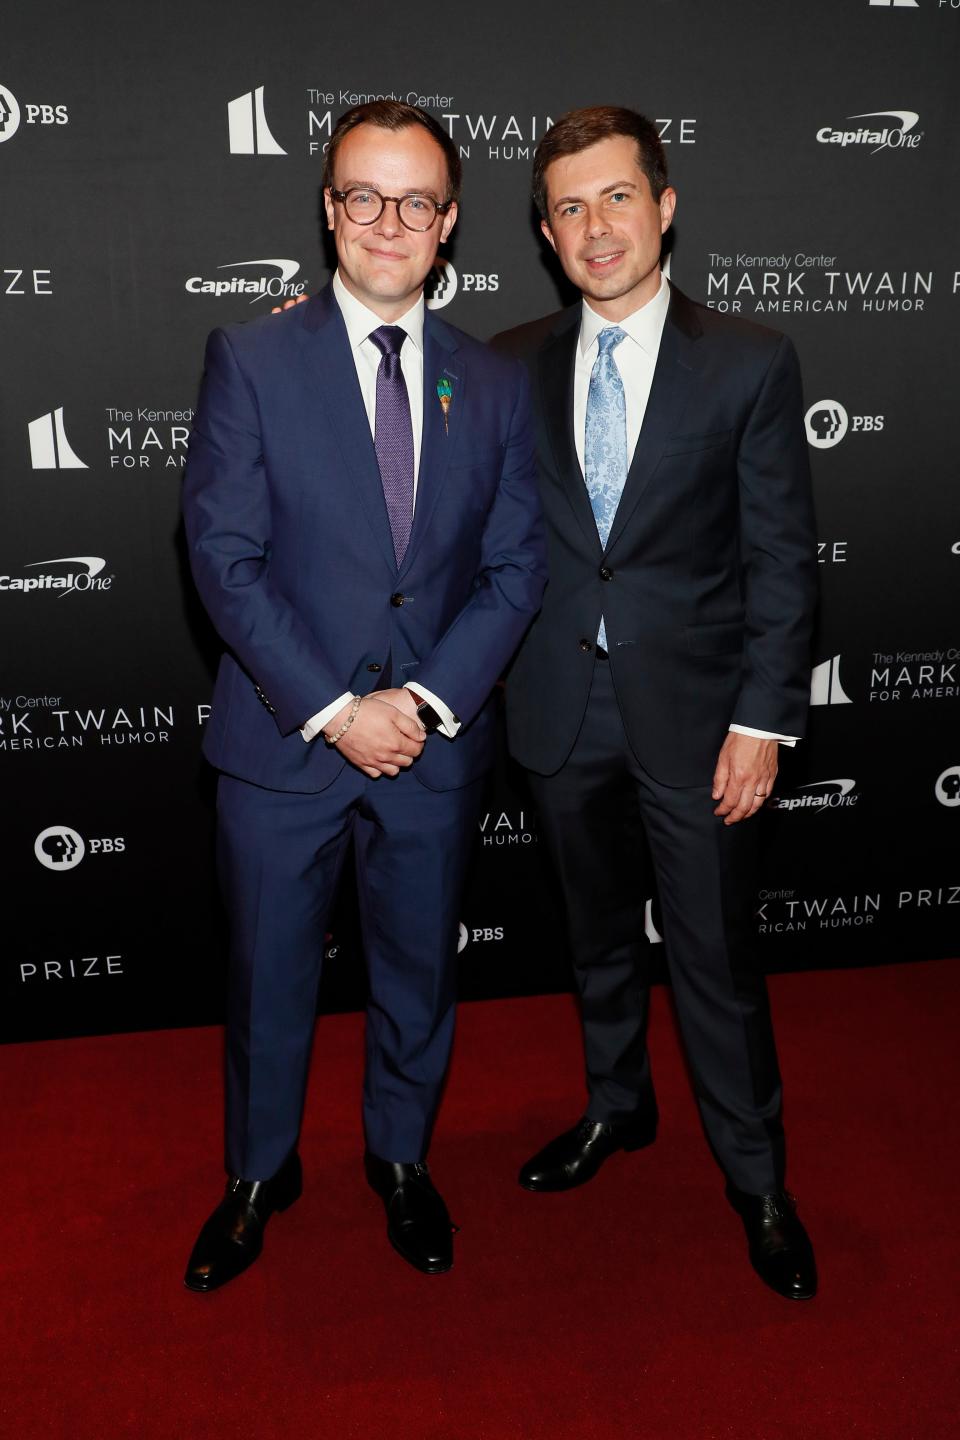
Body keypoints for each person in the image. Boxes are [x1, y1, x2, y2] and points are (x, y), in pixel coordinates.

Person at [180, 100, 545, 1290]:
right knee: (266, 975)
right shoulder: (250, 358)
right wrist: (339, 708)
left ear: (450, 223)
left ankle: (401, 1160)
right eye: (362, 196)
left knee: (415, 974)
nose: (388, 222)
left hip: (434, 750)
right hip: (285, 746)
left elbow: (514, 567)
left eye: (415, 201)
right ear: (329, 207)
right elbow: (223, 565)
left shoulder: (494, 385)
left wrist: (427, 704)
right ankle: (257, 1170)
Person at [493, 107, 819, 1300]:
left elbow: (784, 559)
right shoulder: (509, 359)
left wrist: (764, 718)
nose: (597, 227)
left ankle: (757, 1178)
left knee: (717, 959)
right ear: (544, 230)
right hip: (555, 711)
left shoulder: (751, 360)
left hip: (698, 721)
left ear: (665, 205)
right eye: (571, 207)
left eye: (618, 197)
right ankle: (616, 1110)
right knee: (591, 944)